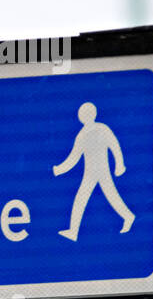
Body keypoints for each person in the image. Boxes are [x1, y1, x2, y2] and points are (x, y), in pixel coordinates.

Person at [52, 101, 134, 241]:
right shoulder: (86, 133)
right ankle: (73, 231)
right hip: (91, 173)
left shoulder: (98, 130)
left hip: (100, 172)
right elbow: (74, 157)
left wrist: (120, 165)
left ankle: (128, 217)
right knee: (90, 198)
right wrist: (59, 169)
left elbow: (114, 145)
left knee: (104, 196)